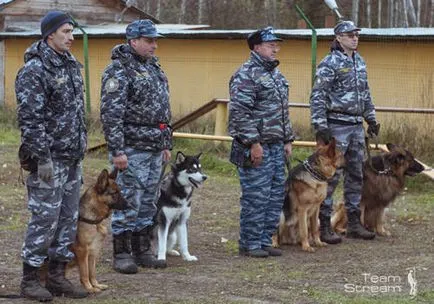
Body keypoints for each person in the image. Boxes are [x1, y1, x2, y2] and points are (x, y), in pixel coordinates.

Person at [15, 10, 88, 301]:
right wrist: (42, 159)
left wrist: (80, 149)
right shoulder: (35, 70)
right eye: (66, 32)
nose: (71, 37)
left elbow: (76, 114)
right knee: (45, 218)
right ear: (49, 35)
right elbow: (31, 120)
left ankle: (57, 275)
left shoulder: (71, 66)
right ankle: (30, 278)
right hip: (49, 159)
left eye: (72, 32)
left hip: (72, 158)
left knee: (68, 218)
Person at [100, 19, 172, 273]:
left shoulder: (154, 69)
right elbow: (112, 115)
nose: (154, 45)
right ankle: (122, 253)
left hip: (154, 148)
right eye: (149, 41)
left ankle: (142, 249)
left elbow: (163, 111)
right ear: (133, 41)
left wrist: (166, 143)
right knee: (128, 199)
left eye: (155, 41)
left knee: (149, 200)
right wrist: (118, 150)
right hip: (132, 148)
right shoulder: (119, 71)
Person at [310, 20, 380, 244]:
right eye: (349, 35)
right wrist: (320, 125)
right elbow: (318, 96)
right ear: (338, 38)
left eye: (356, 34)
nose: (355, 38)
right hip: (336, 126)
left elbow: (365, 94)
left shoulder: (360, 61)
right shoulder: (329, 63)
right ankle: (322, 226)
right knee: (331, 176)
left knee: (356, 175)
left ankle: (353, 223)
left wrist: (371, 118)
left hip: (356, 126)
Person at [228, 26, 294, 258]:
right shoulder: (246, 74)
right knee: (257, 196)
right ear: (256, 47)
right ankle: (250, 243)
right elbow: (239, 113)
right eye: (270, 44)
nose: (276, 48)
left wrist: (287, 139)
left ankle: (265, 240)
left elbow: (282, 112)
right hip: (256, 147)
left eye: (277, 44)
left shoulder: (275, 75)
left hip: (276, 146)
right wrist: (253, 143)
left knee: (275, 195)